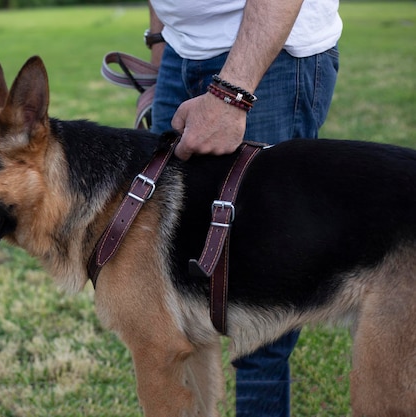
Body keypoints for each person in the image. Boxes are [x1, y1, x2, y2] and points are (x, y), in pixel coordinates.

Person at [146, 1, 341, 416]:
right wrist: (160, 41)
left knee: (260, 307)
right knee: (170, 292)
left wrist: (233, 92)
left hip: (267, 56)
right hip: (181, 52)